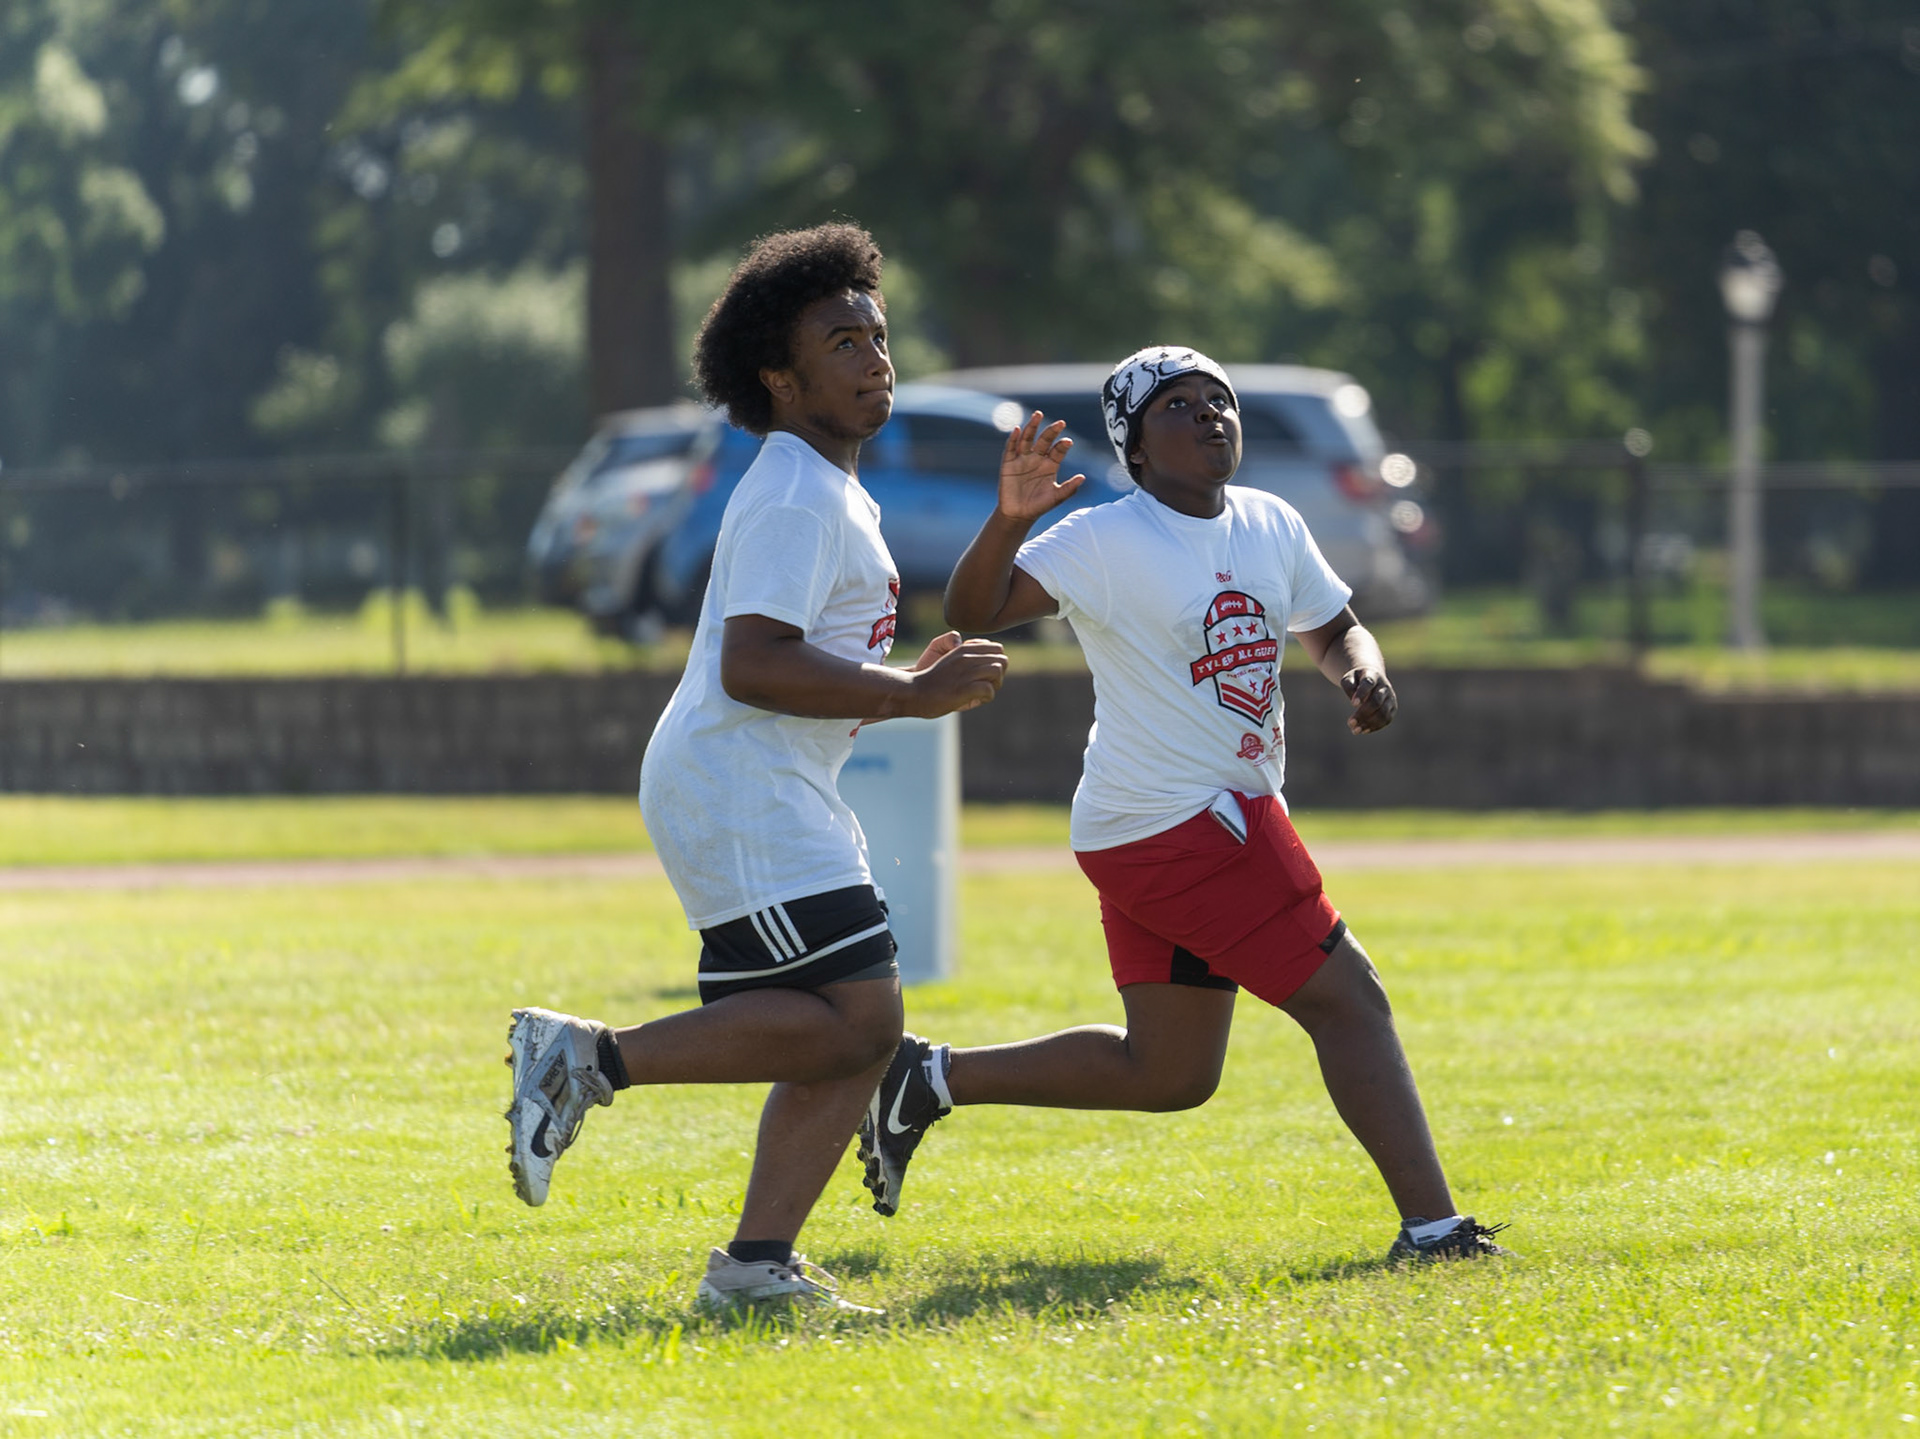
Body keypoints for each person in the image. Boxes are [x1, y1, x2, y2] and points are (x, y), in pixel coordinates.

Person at [857, 345, 1508, 1263]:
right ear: (1134, 445)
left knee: (1169, 1071)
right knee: (1351, 999)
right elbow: (976, 607)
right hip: (1182, 824)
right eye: (1178, 405)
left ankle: (924, 1077)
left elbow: (1333, 626)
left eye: (1219, 399)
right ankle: (1434, 1231)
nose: (1209, 414)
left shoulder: (1272, 521)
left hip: (1169, 824)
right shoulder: (1105, 537)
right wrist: (1008, 520)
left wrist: (1362, 672)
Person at [503, 223, 1009, 1313]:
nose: (874, 359)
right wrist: (908, 693)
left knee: (847, 1035)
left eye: (877, 336)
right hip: (741, 787)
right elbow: (755, 662)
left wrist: (898, 682)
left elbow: (797, 657)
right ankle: (588, 1059)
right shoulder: (794, 492)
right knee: (864, 1022)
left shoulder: (826, 485)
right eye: (842, 344)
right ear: (780, 378)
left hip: (767, 786)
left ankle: (753, 1267)